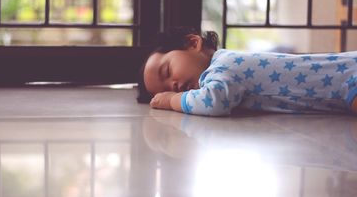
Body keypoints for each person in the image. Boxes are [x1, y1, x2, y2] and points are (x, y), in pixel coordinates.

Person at [137, 27, 357, 116]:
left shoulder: (224, 65)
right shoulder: (221, 66)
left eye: (167, 71)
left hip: (348, 77)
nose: (172, 86)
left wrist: (172, 100)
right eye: (164, 88)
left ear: (193, 43)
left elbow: (215, 101)